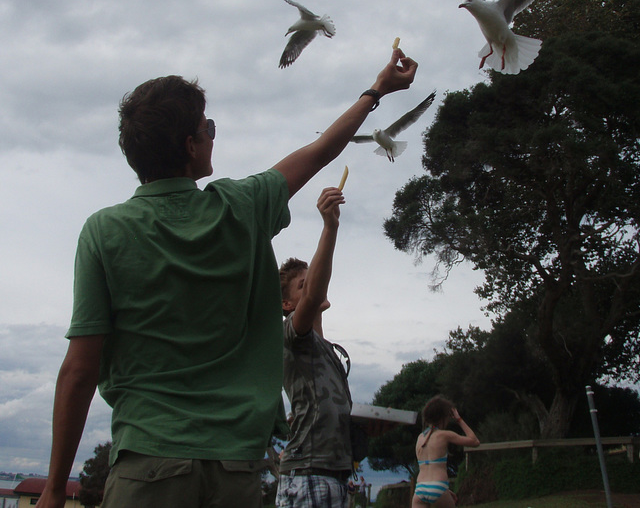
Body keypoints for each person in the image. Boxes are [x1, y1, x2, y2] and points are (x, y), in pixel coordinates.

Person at [35, 48, 418, 508]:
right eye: (207, 129)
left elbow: (80, 370)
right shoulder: (240, 207)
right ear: (190, 147)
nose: (212, 137)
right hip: (235, 471)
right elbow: (320, 152)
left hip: (146, 464)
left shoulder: (103, 232)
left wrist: (55, 489)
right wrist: (378, 90)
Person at [275, 183, 350, 508]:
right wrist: (330, 226)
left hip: (335, 474)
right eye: (302, 286)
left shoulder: (328, 350)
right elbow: (316, 295)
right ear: (287, 304)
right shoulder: (292, 334)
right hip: (306, 474)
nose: (313, 289)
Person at [412, 396, 479, 508]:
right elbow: (475, 441)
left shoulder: (420, 438)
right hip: (438, 486)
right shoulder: (444, 435)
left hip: (420, 489)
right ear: (443, 417)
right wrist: (459, 420)